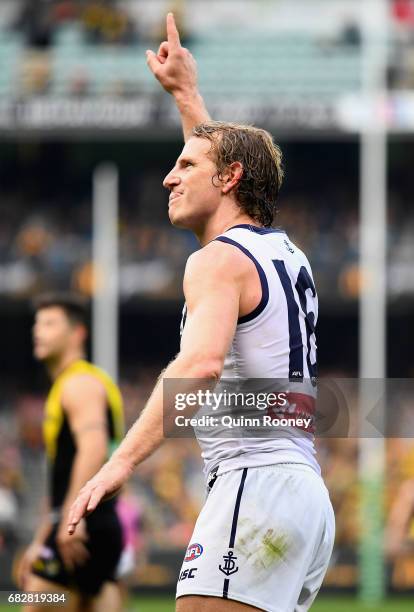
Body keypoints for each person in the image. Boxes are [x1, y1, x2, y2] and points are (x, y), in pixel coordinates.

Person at [67, 14, 335, 612]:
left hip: (254, 487)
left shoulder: (217, 262)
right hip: (300, 494)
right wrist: (187, 96)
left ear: (229, 177)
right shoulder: (281, 253)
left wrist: (118, 465)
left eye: (184, 167)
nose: (168, 177)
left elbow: (203, 364)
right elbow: (218, 161)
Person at [17, 293, 125, 612]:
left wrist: (68, 519)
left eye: (50, 324)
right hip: (91, 523)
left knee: (37, 601)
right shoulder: (73, 383)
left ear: (77, 333)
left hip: (81, 524)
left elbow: (93, 447)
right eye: (37, 324)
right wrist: (42, 535)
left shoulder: (79, 383)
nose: (38, 331)